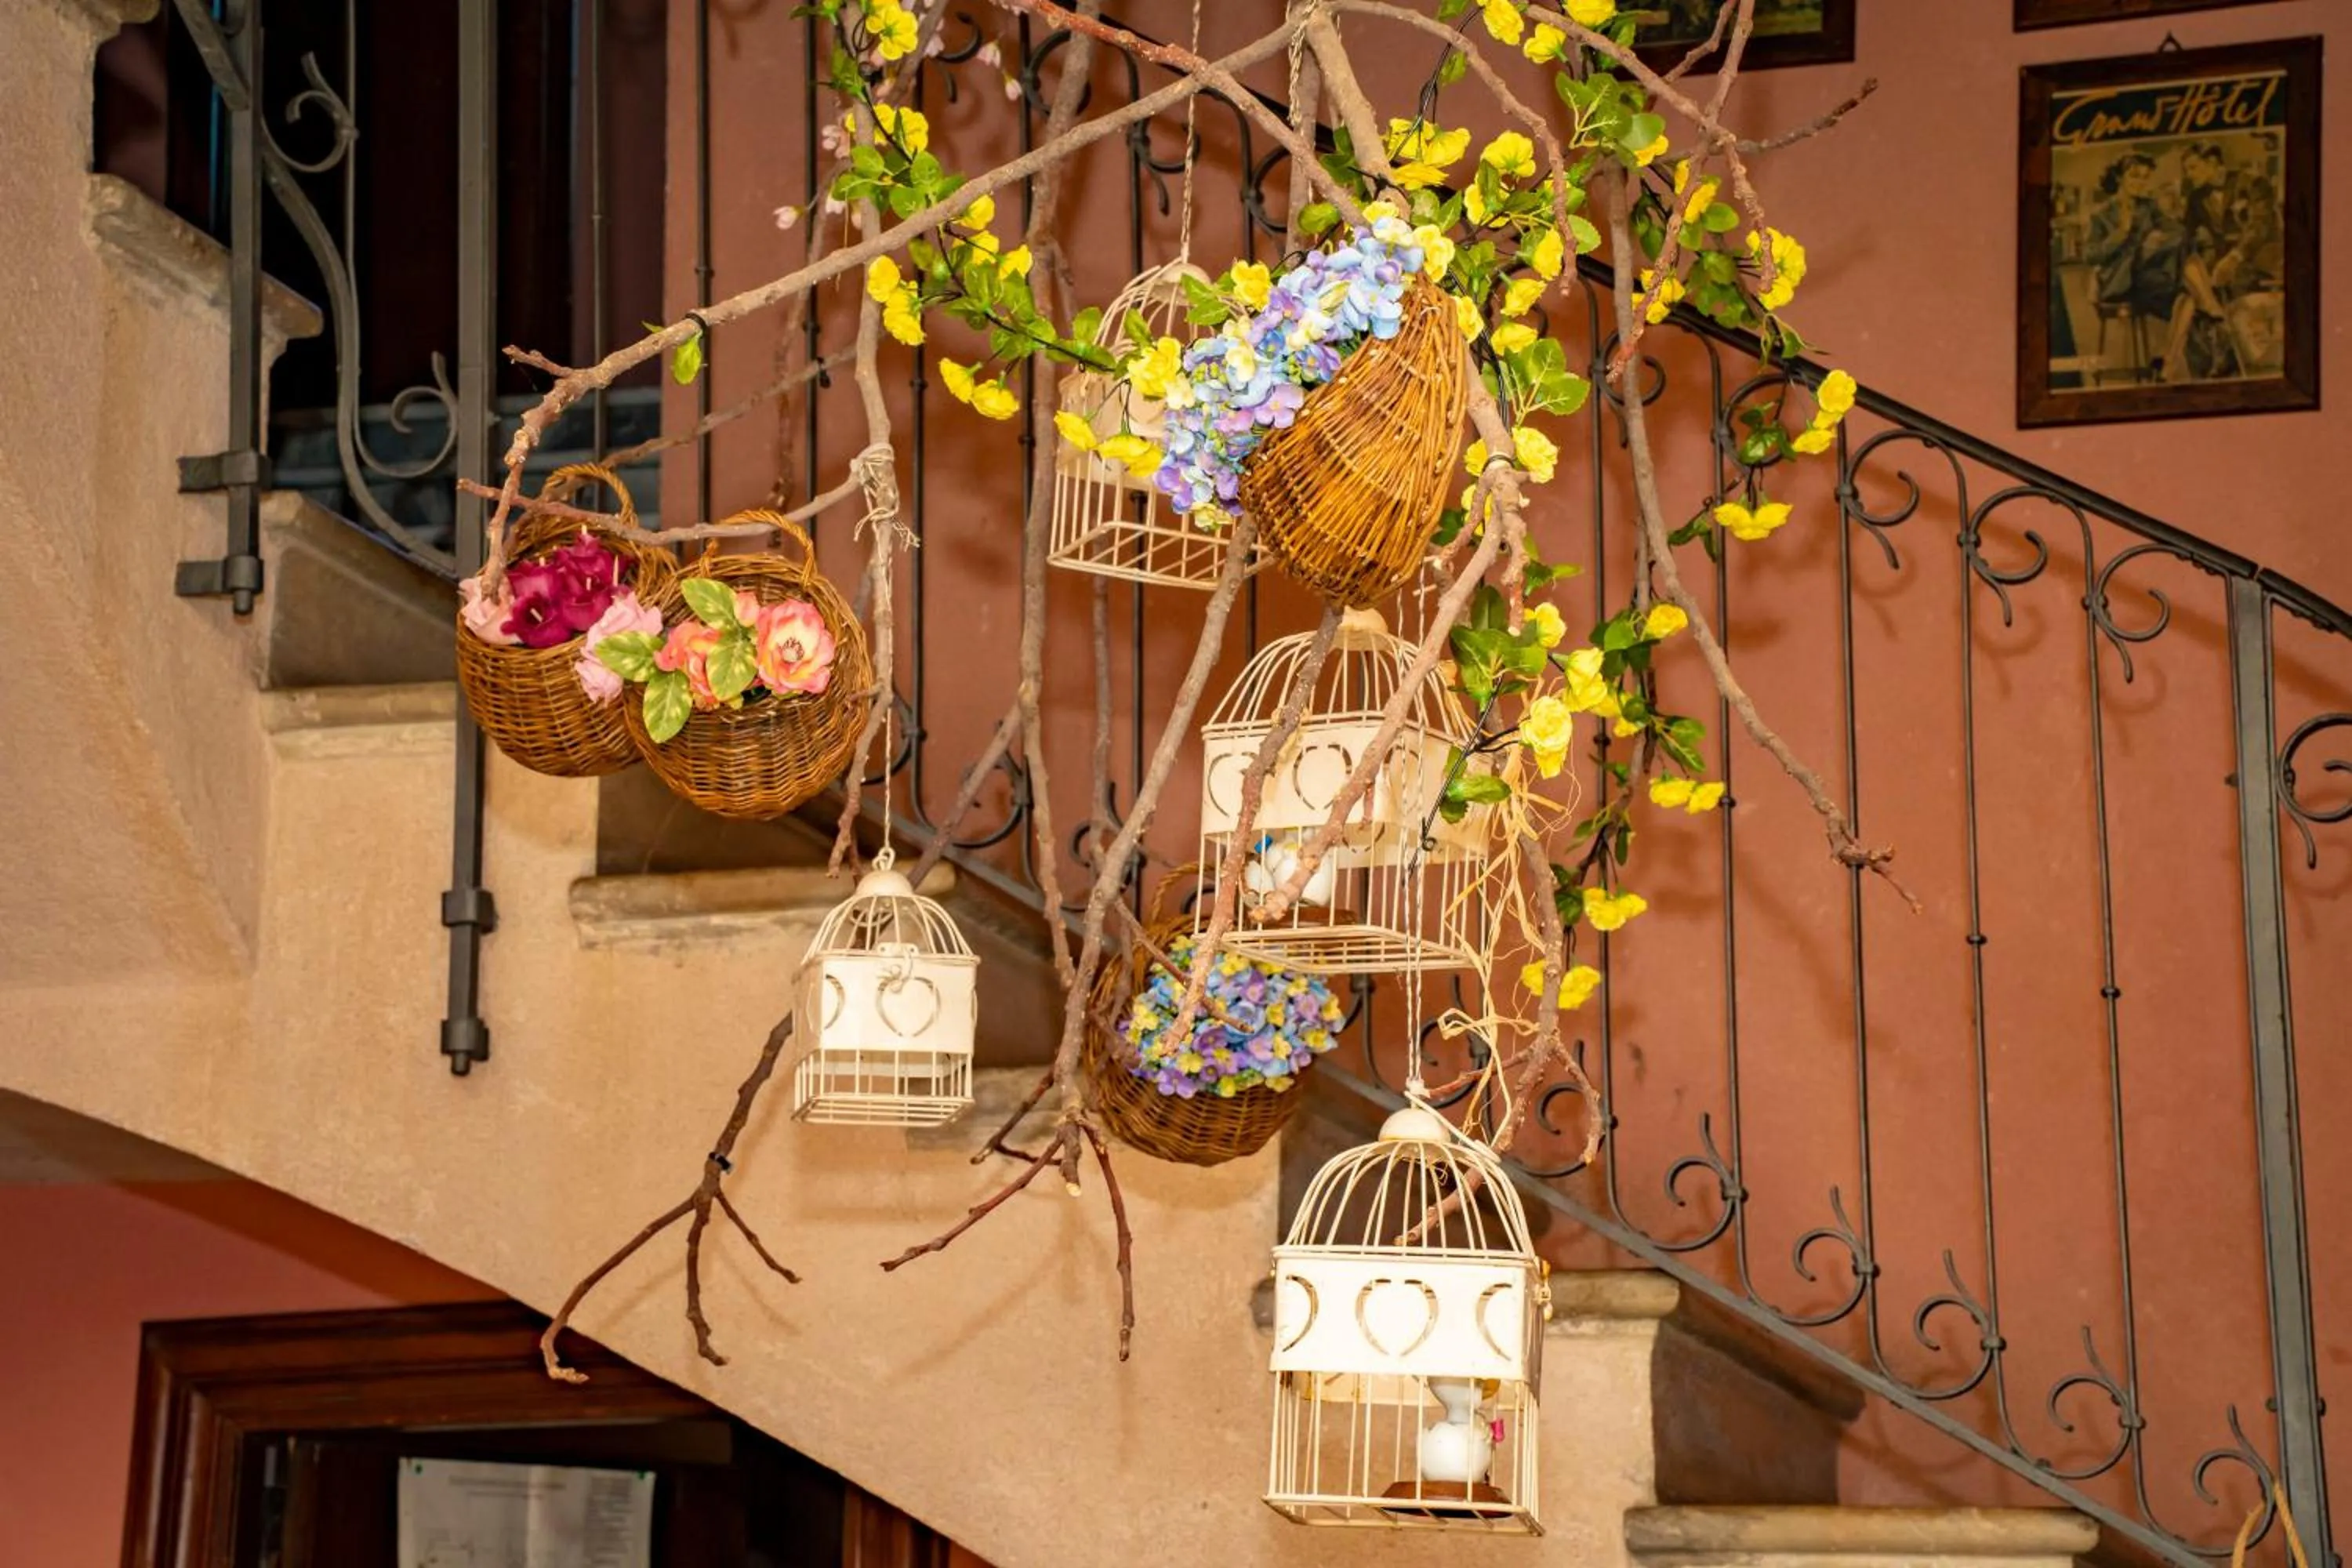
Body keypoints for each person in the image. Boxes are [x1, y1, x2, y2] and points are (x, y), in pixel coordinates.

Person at [2083, 153, 2183, 376]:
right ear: (2120, 177)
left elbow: (2177, 231)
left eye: (2145, 178)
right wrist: (2121, 234)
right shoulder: (2101, 214)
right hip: (2118, 282)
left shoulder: (2149, 207)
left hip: (2147, 279)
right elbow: (2090, 255)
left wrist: (2160, 237)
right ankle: (2173, 354)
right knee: (2184, 294)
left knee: (2182, 287)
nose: (2140, 183)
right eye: (2135, 176)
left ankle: (2170, 357)